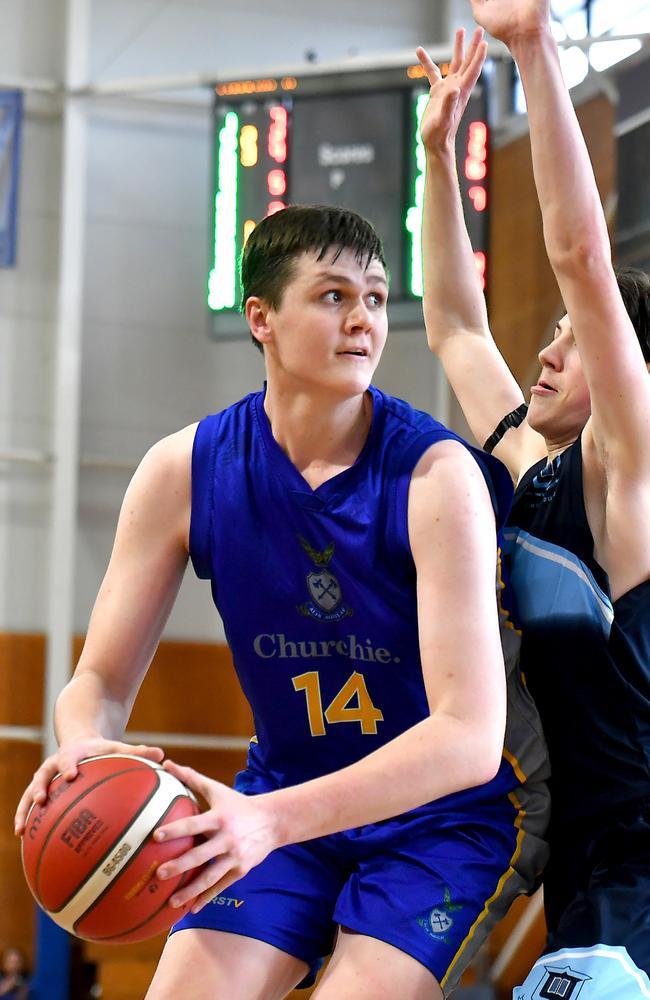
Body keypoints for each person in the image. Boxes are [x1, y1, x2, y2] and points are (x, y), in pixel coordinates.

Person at [15, 204, 548, 1000]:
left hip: (448, 815)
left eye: (373, 297)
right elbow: (99, 681)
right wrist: (84, 746)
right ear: (261, 318)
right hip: (285, 795)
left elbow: (468, 739)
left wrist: (269, 821)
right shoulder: (184, 471)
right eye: (333, 296)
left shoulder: (439, 477)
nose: (363, 320)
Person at [418, 4, 650, 996]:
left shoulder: (625, 474)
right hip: (578, 864)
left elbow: (580, 257)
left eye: (570, 337)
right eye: (547, 334)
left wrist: (532, 50)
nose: (546, 351)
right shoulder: (527, 462)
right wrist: (435, 156)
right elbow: (452, 330)